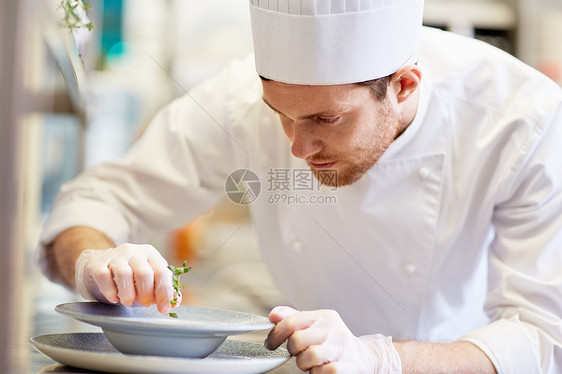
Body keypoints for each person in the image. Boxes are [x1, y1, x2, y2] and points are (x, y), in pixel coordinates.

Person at [37, 0, 562, 372]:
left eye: (326, 120)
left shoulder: (522, 119)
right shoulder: (238, 98)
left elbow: (542, 339)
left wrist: (381, 361)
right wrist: (95, 264)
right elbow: (95, 201)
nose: (297, 148)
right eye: (280, 115)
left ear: (403, 86)